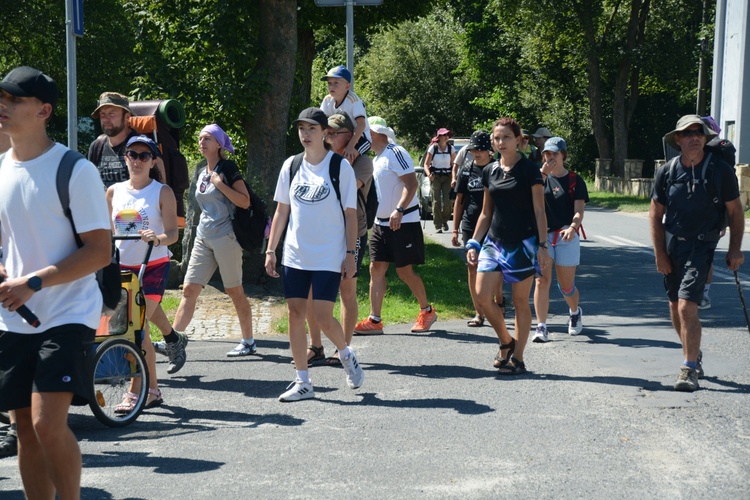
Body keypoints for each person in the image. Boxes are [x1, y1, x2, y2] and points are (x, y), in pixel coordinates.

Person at [0, 66, 112, 499]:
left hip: (68, 312)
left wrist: (34, 282)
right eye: (2, 98)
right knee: (24, 430)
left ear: (44, 110)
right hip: (14, 318)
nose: (3, 106)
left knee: (48, 423)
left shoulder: (75, 169)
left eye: (14, 100)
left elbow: (99, 251)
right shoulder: (2, 169)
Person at [265, 107, 364, 402]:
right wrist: (271, 249)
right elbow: (282, 210)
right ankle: (303, 380)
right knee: (296, 314)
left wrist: (348, 253)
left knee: (322, 316)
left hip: (328, 254)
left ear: (325, 133)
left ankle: (346, 355)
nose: (306, 134)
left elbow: (350, 215)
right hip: (295, 253)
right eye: (301, 129)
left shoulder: (339, 167)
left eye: (312, 129)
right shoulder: (291, 166)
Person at [650, 114, 744, 392]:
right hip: (672, 245)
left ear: (706, 138)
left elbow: (735, 211)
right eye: (688, 133)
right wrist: (659, 255)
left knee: (686, 306)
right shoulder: (667, 172)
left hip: (702, 246)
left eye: (699, 133)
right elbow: (655, 215)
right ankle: (694, 352)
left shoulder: (720, 171)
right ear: (677, 139)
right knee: (674, 309)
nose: (694, 137)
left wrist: (735, 249)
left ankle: (688, 368)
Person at [466, 117, 550, 375]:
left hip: (523, 244)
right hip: (494, 242)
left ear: (518, 140)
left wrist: (543, 244)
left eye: (506, 138)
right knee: (481, 296)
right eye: (497, 138)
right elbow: (485, 213)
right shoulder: (489, 170)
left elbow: (539, 210)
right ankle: (506, 340)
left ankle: (518, 357)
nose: (500, 142)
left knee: (520, 301)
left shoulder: (529, 170)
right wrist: (474, 242)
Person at [170, 124, 257, 362]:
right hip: (203, 237)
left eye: (207, 138)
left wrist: (220, 184)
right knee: (189, 290)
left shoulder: (227, 168)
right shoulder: (200, 170)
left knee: (234, 290)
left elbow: (245, 201)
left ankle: (248, 341)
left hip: (226, 237)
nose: (202, 142)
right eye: (200, 138)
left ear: (219, 143)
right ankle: (174, 343)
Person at [107, 135, 179, 410]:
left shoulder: (162, 191)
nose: (137, 161)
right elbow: (105, 233)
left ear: (152, 161)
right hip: (122, 269)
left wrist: (157, 238)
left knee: (136, 327)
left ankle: (135, 391)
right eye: (132, 155)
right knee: (137, 329)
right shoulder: (113, 192)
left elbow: (172, 233)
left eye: (143, 156)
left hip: (154, 265)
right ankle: (154, 390)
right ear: (125, 158)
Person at [354, 116, 438, 335]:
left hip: (403, 221)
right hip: (381, 223)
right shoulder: (376, 158)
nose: (362, 138)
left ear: (373, 133)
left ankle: (427, 311)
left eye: (365, 133)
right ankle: (375, 319)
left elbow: (410, 183)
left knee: (404, 271)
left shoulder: (396, 152)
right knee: (376, 268)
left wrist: (399, 210)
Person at [305, 113, 373, 366]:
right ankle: (316, 346)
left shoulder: (363, 163)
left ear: (350, 135)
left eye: (335, 133)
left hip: (351, 232)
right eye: (327, 133)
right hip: (322, 232)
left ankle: (343, 347)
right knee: (311, 291)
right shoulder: (318, 160)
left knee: (347, 290)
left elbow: (343, 189)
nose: (329, 137)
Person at [532, 137, 589, 343]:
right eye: (546, 154)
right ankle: (541, 326)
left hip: (566, 235)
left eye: (554, 154)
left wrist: (573, 228)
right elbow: (530, 202)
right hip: (543, 236)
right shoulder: (538, 178)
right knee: (541, 280)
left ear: (563, 155)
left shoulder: (575, 180)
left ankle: (574, 311)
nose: (550, 157)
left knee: (566, 286)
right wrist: (543, 175)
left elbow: (579, 211)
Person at [451, 130, 504, 327]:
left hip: (493, 226)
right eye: (474, 150)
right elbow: (459, 200)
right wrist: (455, 229)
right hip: (470, 224)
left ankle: (498, 298)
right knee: (472, 267)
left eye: (481, 150)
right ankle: (479, 312)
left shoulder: (497, 169)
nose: (477, 153)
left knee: (494, 268)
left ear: (490, 151)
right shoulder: (466, 169)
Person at [697, 115, 737, 310]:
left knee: (699, 253)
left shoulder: (705, 151)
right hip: (718, 213)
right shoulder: (721, 151)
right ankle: (703, 294)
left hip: (706, 211)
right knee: (707, 254)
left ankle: (699, 293)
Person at [320, 65, 371, 163]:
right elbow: (321, 122)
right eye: (329, 83)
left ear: (347, 86)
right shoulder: (327, 100)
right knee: (322, 156)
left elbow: (361, 125)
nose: (331, 86)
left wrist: (350, 146)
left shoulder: (353, 101)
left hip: (360, 138)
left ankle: (358, 176)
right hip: (339, 136)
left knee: (348, 158)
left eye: (336, 83)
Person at [88, 92, 141, 188]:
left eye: (111, 113)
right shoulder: (97, 146)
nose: (105, 119)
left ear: (127, 117)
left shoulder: (141, 146)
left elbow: (156, 190)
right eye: (102, 114)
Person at [423, 128, 456, 233]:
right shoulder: (433, 148)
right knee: (436, 201)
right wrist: (429, 175)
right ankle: (438, 225)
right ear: (439, 137)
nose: (446, 136)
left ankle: (444, 220)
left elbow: (454, 165)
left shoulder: (451, 149)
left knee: (448, 201)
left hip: (447, 177)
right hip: (435, 176)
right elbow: (426, 164)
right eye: (444, 135)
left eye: (447, 135)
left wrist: (454, 177)